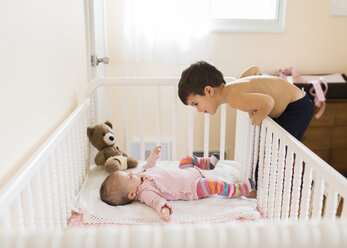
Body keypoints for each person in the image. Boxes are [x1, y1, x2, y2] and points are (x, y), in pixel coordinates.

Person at [99, 146, 255, 222]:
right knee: (215, 185)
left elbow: (149, 165)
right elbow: (157, 202)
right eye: (128, 178)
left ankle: (208, 164)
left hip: (187, 172)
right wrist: (164, 209)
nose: (132, 173)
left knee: (186, 160)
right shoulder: (145, 192)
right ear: (132, 194)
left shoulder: (140, 175)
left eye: (128, 173)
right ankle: (239, 190)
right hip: (192, 186)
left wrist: (154, 155)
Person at [178, 61, 314, 141]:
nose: (199, 110)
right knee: (270, 148)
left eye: (196, 104)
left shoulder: (233, 99)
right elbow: (254, 69)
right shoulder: (235, 86)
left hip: (296, 107)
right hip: (298, 100)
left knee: (277, 149)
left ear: (209, 91)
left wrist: (256, 119)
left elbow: (268, 102)